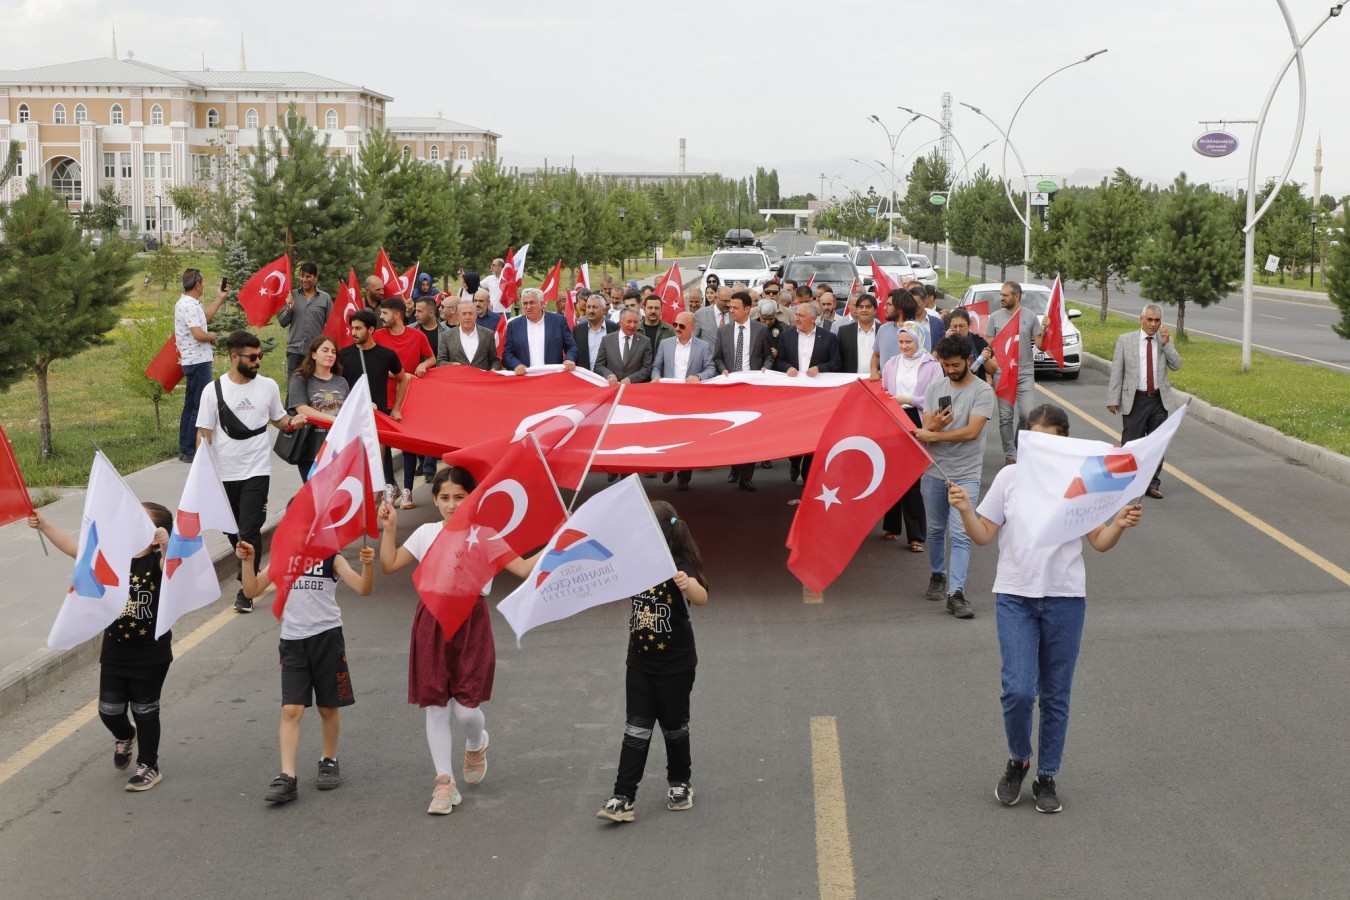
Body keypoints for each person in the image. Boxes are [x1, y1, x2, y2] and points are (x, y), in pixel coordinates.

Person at [947, 404, 1143, 814]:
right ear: (1024, 443)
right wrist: (965, 507)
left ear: (1064, 444)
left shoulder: (1080, 482)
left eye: (1052, 442)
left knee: (1055, 695)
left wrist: (1120, 524)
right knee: (1018, 690)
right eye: (1035, 441)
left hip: (1064, 598)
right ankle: (1019, 759)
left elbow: (1099, 541)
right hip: (1015, 596)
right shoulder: (1010, 478)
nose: (1042, 450)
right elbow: (983, 535)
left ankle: (1047, 775)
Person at [378, 467, 536, 815]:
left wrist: (559, 544)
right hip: (431, 623)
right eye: (445, 498)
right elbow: (388, 564)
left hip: (470, 625)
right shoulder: (425, 533)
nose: (452, 505)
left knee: (466, 711)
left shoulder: (486, 536)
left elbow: (524, 569)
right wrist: (389, 530)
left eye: (460, 497)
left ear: (472, 499)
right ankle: (444, 782)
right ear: (434, 500)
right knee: (435, 705)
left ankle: (476, 742)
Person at [29, 504, 174, 792]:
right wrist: (44, 524)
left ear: (155, 534)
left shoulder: (158, 563)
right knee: (109, 710)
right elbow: (75, 549)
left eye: (141, 522)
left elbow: (173, 567)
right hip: (115, 651)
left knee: (145, 709)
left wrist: (168, 545)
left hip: (150, 653)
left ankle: (149, 766)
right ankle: (124, 735)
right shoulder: (112, 560)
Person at [236, 540, 375, 804]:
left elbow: (363, 588)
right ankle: (287, 775)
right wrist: (248, 560)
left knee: (328, 707)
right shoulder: (281, 559)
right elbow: (251, 589)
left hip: (327, 640)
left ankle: (329, 759)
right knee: (291, 709)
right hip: (292, 642)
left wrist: (368, 567)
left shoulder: (331, 558)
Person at [597, 501, 709, 824]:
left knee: (674, 728)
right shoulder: (634, 562)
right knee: (636, 729)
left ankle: (680, 783)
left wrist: (689, 585)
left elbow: (703, 597)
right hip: (640, 664)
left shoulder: (679, 564)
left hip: (676, 665)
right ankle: (623, 797)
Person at [196, 330, 299, 614]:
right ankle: (250, 572)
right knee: (233, 531)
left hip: (256, 470)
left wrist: (293, 421)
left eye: (260, 356)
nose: (258, 362)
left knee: (249, 530)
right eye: (253, 357)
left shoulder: (267, 386)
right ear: (234, 357)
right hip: (224, 473)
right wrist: (200, 473)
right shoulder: (212, 391)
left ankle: (246, 589)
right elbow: (204, 433)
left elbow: (278, 419)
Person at [913, 334, 995, 619]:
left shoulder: (983, 392)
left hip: (966, 474)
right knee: (935, 530)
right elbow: (926, 429)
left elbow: (972, 432)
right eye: (945, 365)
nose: (949, 370)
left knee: (961, 535)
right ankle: (938, 575)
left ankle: (956, 593)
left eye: (955, 365)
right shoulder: (935, 387)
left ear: (969, 361)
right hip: (933, 471)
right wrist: (934, 426)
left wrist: (935, 433)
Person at [1106, 303, 1181, 499]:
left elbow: (1176, 366)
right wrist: (1113, 399)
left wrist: (1167, 344)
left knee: (1157, 446)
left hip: (1158, 401)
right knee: (1131, 445)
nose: (1153, 324)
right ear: (1141, 319)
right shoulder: (1126, 340)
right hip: (1135, 400)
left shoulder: (1163, 341)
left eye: (1157, 320)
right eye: (1150, 320)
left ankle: (1152, 484)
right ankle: (1128, 483)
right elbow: (1117, 372)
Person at [880, 323, 942, 549]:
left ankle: (916, 535)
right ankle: (892, 526)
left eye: (909, 342)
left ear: (919, 340)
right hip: (893, 419)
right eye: (901, 342)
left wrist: (909, 400)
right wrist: (894, 402)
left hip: (917, 419)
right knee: (891, 473)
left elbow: (934, 397)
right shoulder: (891, 363)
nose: (905, 346)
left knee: (913, 476)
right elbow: (885, 392)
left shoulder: (932, 365)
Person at [375, 298, 434, 510]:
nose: (381, 317)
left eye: (384, 313)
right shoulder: (378, 336)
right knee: (385, 443)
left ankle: (408, 489)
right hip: (384, 397)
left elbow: (431, 358)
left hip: (409, 398)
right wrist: (400, 375)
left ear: (397, 315)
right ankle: (391, 485)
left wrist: (422, 365)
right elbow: (375, 364)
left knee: (408, 444)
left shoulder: (417, 335)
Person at [651, 312, 715, 492]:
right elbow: (657, 366)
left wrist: (698, 376)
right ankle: (668, 466)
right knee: (668, 435)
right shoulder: (665, 344)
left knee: (688, 437)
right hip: (669, 398)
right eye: (675, 324)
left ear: (693, 329)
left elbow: (711, 368)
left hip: (691, 400)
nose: (677, 329)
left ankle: (684, 476)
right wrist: (656, 377)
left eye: (682, 326)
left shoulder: (703, 346)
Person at [712, 292, 770, 490]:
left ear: (747, 309)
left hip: (753, 389)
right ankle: (734, 468)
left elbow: (768, 356)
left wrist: (766, 368)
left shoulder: (761, 329)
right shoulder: (724, 331)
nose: (731, 311)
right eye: (730, 307)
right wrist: (723, 370)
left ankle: (746, 476)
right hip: (731, 388)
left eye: (736, 308)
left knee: (751, 434)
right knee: (733, 432)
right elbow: (717, 357)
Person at [987, 281, 1046, 465]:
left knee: (1027, 414)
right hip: (1003, 373)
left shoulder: (1030, 317)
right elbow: (989, 348)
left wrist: (1046, 329)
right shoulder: (995, 318)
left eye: (1005, 295)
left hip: (1025, 373)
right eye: (1001, 294)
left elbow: (1041, 346)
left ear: (1017, 296)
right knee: (1005, 417)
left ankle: (1018, 445)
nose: (1001, 298)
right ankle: (1010, 455)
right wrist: (990, 375)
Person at [173, 268, 227, 463]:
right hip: (197, 361)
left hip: (193, 360)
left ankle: (184, 447)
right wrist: (212, 337)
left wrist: (219, 299)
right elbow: (198, 333)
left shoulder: (188, 303)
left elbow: (203, 319)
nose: (203, 285)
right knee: (198, 405)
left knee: (190, 405)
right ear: (197, 285)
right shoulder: (188, 305)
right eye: (202, 282)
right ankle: (190, 450)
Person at [286, 336, 349, 482]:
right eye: (325, 350)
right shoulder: (300, 378)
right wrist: (334, 420)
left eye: (333, 352)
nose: (330, 355)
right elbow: (302, 409)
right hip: (310, 449)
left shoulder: (341, 381)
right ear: (314, 354)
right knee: (315, 497)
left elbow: (348, 409)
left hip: (337, 448)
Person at [502, 288, 579, 374]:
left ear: (542, 304)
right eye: (525, 303)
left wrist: (569, 359)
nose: (528, 307)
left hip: (553, 376)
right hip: (526, 377)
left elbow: (571, 346)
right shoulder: (514, 326)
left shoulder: (558, 322)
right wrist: (516, 365)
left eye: (532, 302)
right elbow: (507, 353)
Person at [278, 262, 332, 377]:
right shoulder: (291, 295)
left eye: (308, 276)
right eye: (302, 276)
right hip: (295, 351)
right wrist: (289, 309)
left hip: (316, 351)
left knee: (314, 388)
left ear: (316, 277)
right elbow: (282, 322)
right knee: (293, 389)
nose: (304, 279)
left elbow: (332, 325)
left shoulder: (325, 298)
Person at [594, 308, 654, 386]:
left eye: (635, 322)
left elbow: (646, 369)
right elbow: (599, 366)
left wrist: (630, 379)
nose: (632, 325)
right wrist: (609, 375)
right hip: (612, 388)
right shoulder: (607, 340)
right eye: (629, 322)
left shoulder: (645, 342)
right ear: (620, 322)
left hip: (634, 389)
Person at [438, 299, 500, 371]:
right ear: (458, 315)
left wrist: (493, 369)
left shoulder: (488, 334)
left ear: (476, 315)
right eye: (464, 314)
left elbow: (495, 360)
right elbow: (440, 362)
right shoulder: (446, 336)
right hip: (457, 379)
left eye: (470, 313)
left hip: (481, 380)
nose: (467, 317)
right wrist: (452, 365)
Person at [947, 308, 998, 387]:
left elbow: (993, 369)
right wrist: (947, 341)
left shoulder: (978, 342)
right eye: (954, 326)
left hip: (976, 388)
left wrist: (986, 359)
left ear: (968, 325)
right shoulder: (944, 342)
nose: (958, 330)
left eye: (961, 326)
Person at [837, 293, 880, 377]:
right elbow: (838, 360)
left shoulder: (882, 331)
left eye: (868, 307)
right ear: (856, 310)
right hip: (851, 382)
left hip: (877, 381)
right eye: (860, 307)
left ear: (875, 310)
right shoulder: (844, 331)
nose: (864, 310)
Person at [573, 294, 617, 371]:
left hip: (609, 378)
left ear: (603, 310)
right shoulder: (578, 330)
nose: (590, 311)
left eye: (594, 307)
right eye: (588, 307)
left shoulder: (614, 329)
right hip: (586, 378)